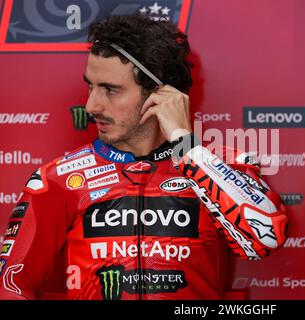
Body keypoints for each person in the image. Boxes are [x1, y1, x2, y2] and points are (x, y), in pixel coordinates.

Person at [0, 14, 289, 300]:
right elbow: (10, 285)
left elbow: (263, 240)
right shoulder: (60, 179)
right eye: (91, 86)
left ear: (160, 95)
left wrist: (187, 147)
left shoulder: (218, 166)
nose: (91, 106)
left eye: (110, 90)